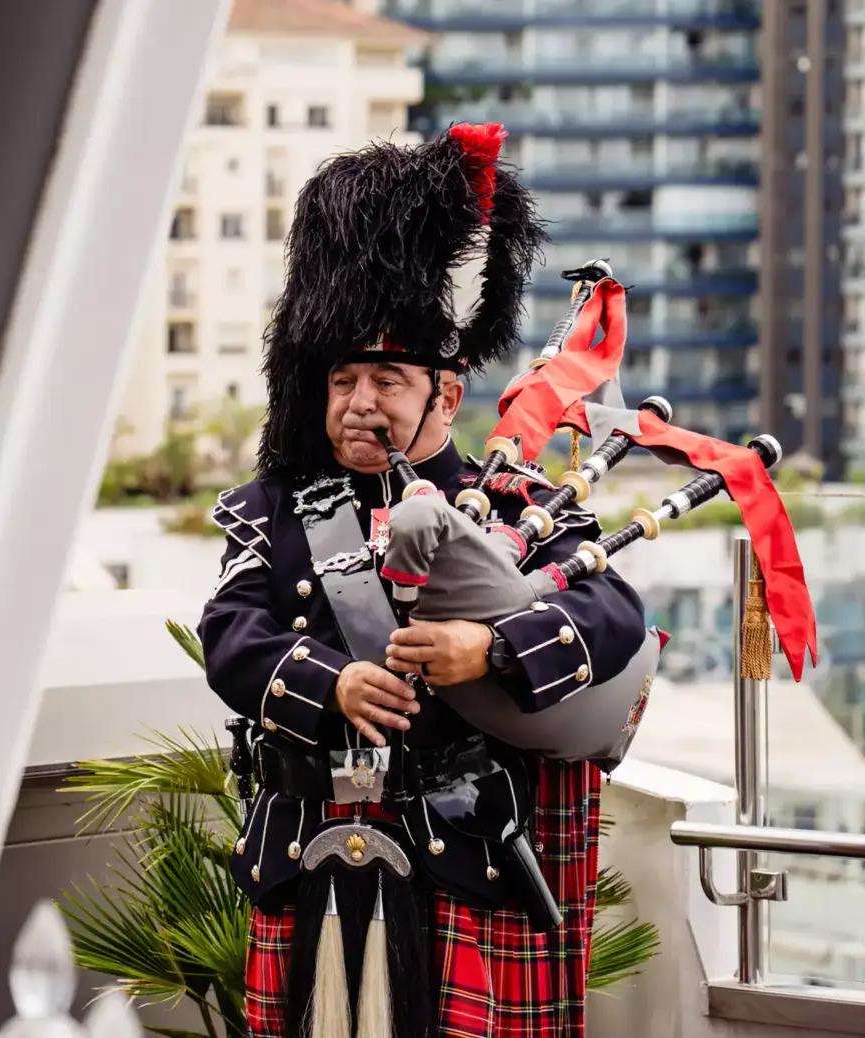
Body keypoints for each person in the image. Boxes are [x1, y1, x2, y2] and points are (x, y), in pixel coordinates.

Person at [197, 125, 648, 1037]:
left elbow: (614, 615)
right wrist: (335, 684)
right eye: (343, 380)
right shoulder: (273, 510)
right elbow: (231, 634)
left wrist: (489, 647)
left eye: (387, 380)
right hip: (311, 849)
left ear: (444, 394)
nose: (359, 402)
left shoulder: (516, 501)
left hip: (468, 852)